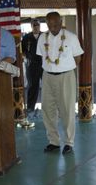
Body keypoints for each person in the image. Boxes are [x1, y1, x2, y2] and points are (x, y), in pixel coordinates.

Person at [36, 12, 84, 155]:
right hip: (47, 77)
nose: (53, 27)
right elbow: (41, 58)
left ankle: (69, 142)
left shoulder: (71, 37)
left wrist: (64, 68)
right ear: (46, 23)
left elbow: (78, 58)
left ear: (61, 21)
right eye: (50, 25)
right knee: (47, 109)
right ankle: (54, 142)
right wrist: (52, 69)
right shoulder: (42, 38)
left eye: (56, 24)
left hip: (66, 76)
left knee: (67, 110)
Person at [22, 19, 43, 112]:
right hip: (31, 65)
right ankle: (30, 108)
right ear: (31, 26)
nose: (36, 27)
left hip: (44, 64)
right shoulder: (27, 37)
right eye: (34, 25)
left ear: (40, 26)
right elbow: (22, 51)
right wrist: (27, 57)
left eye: (37, 25)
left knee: (48, 86)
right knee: (32, 86)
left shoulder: (45, 36)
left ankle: (50, 108)